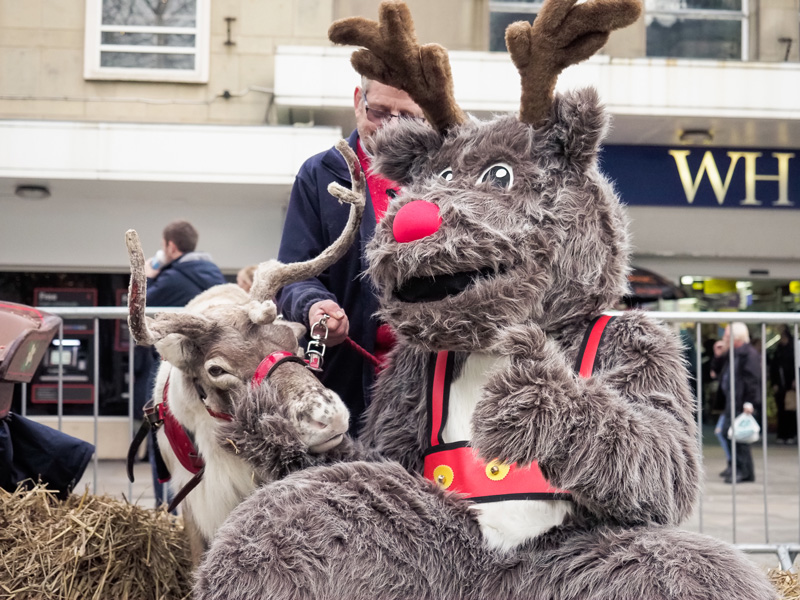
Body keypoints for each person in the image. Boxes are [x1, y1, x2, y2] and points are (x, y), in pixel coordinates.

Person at [276, 77, 425, 436]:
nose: (391, 127)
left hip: (434, 384)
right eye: (379, 112)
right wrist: (314, 305)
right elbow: (293, 272)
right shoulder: (319, 174)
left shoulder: (449, 175)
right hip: (350, 383)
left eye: (407, 117)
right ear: (359, 101)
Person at [140, 219, 226, 507]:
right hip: (210, 381)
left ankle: (168, 506)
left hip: (170, 376)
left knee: (165, 439)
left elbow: (142, 307)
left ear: (171, 246)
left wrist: (151, 273)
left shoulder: (172, 278)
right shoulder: (215, 276)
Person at [711, 322, 761, 484]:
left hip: (740, 403)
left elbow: (753, 380)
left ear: (736, 337)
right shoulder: (733, 353)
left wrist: (749, 402)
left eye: (727, 335)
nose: (724, 338)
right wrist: (718, 355)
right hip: (732, 401)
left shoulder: (749, 354)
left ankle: (744, 470)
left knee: (738, 436)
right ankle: (737, 467)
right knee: (729, 433)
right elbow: (716, 373)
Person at [770, 326, 797, 444]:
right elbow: (774, 367)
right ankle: (782, 434)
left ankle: (791, 433)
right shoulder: (778, 350)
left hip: (790, 385)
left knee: (790, 410)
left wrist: (796, 378)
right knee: (781, 410)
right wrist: (774, 382)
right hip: (781, 384)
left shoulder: (793, 349)